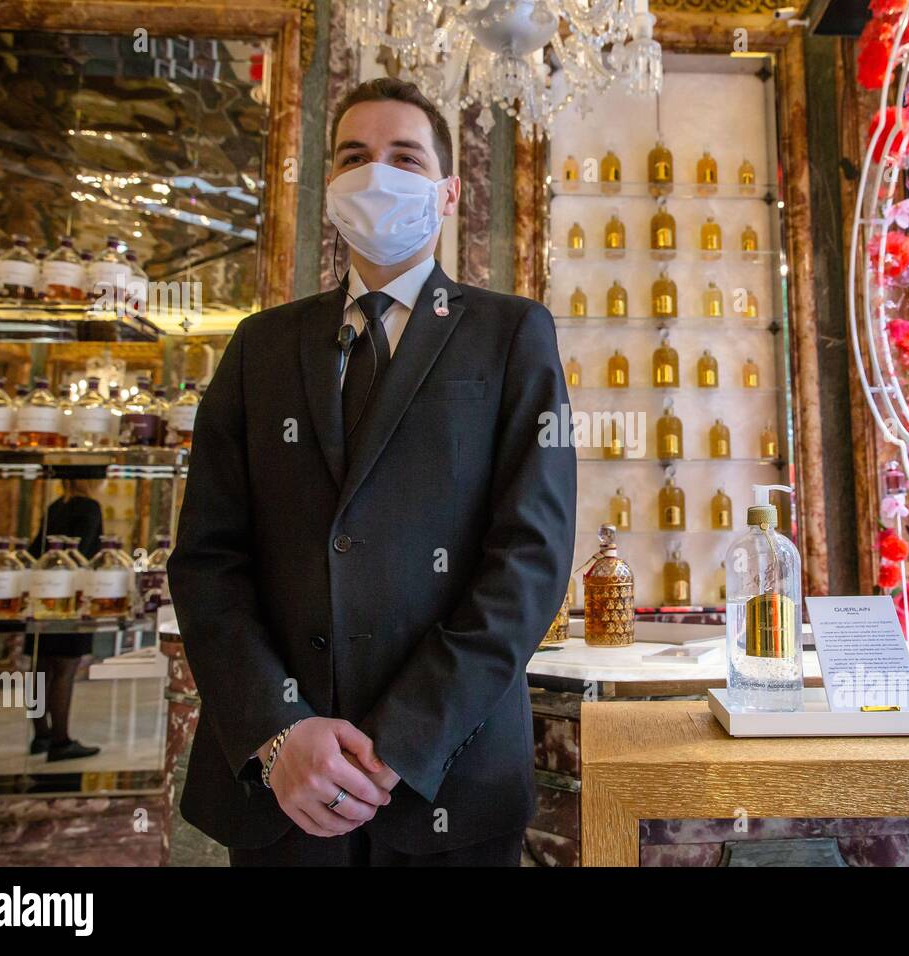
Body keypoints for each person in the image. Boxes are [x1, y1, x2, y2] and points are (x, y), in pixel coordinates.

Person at [168, 77, 577, 867]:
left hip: (447, 782)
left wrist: (403, 739)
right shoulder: (260, 346)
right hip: (281, 792)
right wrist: (280, 731)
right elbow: (209, 560)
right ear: (330, 190)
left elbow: (529, 560)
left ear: (450, 192)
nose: (377, 175)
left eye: (405, 157)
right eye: (355, 157)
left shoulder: (510, 334)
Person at [26, 477, 103, 762]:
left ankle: (40, 735)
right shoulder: (90, 507)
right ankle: (61, 740)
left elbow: (33, 551)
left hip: (43, 596)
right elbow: (82, 556)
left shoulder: (56, 506)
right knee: (64, 670)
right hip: (70, 597)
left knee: (40, 668)